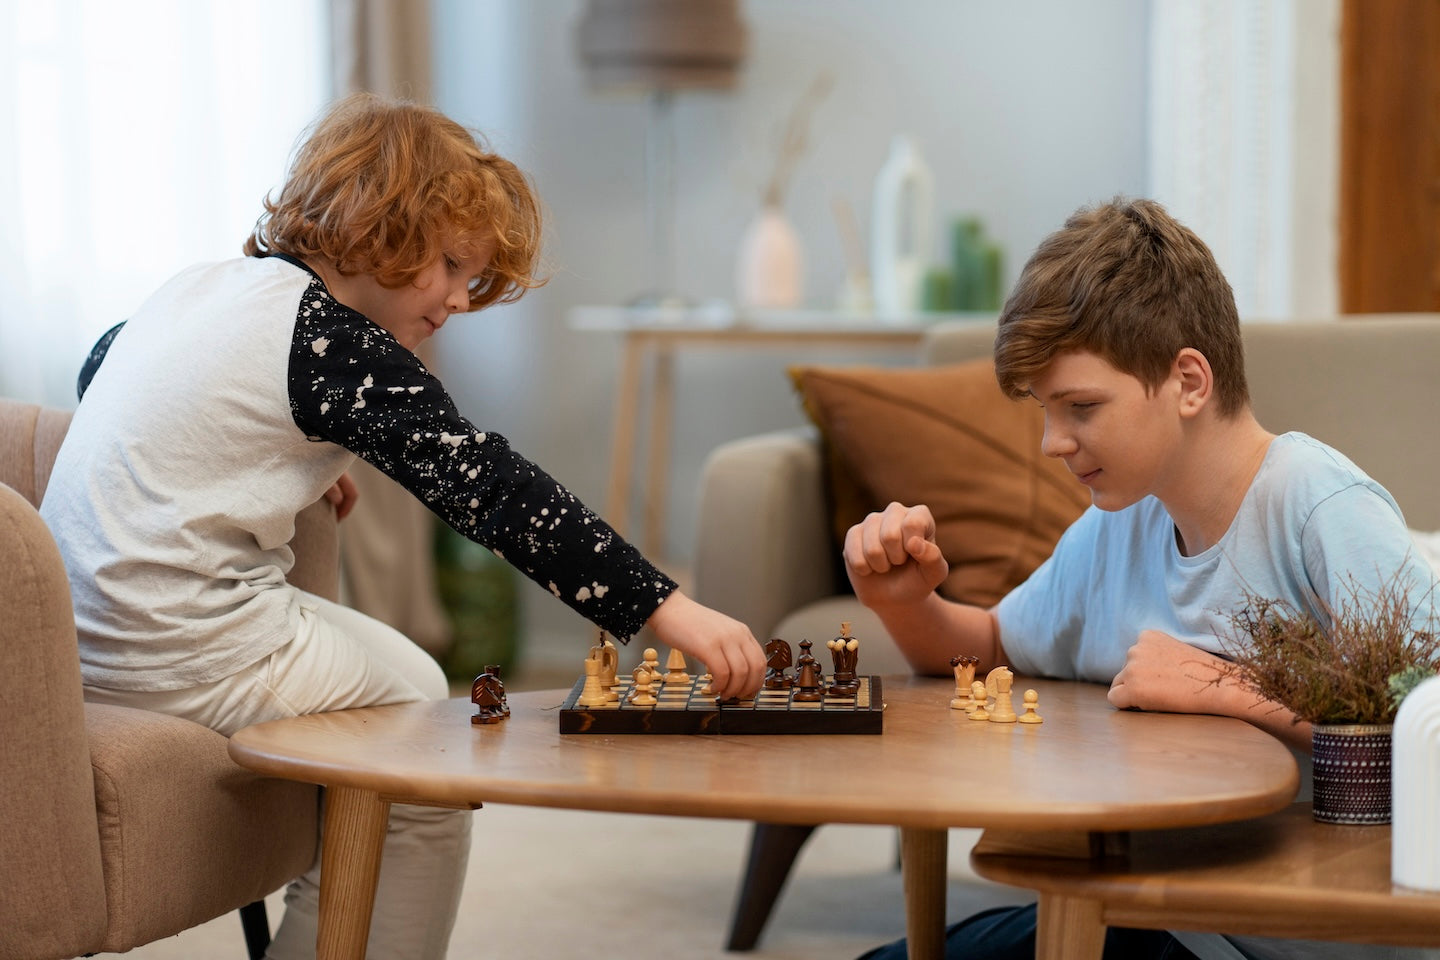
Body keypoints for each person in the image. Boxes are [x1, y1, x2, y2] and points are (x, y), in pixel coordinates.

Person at [39, 92, 765, 960]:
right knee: (424, 737)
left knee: (413, 675)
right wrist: (667, 609)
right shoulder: (331, 345)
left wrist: (279, 467)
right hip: (170, 642)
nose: (461, 299)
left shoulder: (205, 286)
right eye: (455, 265)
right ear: (379, 223)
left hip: (79, 634)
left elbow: (104, 370)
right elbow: (493, 489)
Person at [846, 198, 1438, 960]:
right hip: (1157, 916)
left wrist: (1225, 686)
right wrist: (908, 603)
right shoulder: (1116, 527)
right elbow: (990, 645)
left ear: (1189, 381)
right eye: (1043, 411)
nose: (1053, 443)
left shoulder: (1319, 505)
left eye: (1081, 407)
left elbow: (1429, 724)